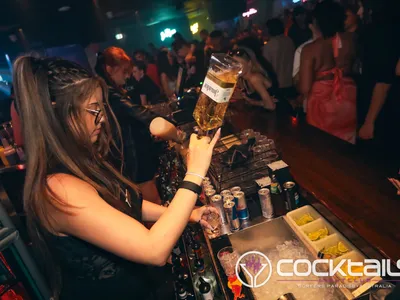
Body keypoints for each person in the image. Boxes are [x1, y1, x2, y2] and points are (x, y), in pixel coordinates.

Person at [13, 55, 220, 300]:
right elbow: (154, 249)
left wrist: (190, 213)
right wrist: (194, 172)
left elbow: (124, 206)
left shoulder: (82, 160)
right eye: (93, 110)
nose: (101, 118)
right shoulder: (58, 188)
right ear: (61, 114)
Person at [95, 47, 180, 205]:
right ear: (109, 69)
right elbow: (139, 113)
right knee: (152, 201)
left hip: (131, 156)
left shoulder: (109, 90)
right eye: (124, 72)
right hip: (133, 158)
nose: (128, 76)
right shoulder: (110, 93)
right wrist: (173, 128)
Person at [299, 1, 357, 144]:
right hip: (348, 95)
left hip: (322, 100)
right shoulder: (352, 40)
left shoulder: (310, 49)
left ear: (317, 21)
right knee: (346, 144)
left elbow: (305, 88)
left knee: (322, 146)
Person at [293, 13, 321, 112]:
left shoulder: (335, 43)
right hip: (312, 103)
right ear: (311, 26)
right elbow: (297, 81)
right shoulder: (302, 49)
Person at [263, 18, 295, 98]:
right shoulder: (289, 41)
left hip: (276, 85)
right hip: (290, 83)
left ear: (270, 29)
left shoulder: (269, 45)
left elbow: (265, 67)